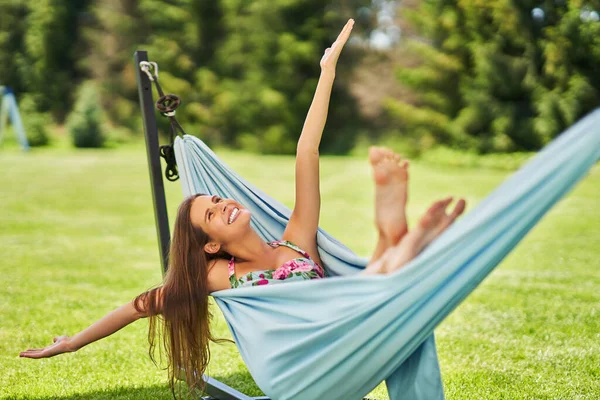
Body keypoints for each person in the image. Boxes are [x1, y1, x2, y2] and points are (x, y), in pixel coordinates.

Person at [20, 19, 465, 395]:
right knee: (391, 292)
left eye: (216, 200)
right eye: (213, 214)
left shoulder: (296, 241)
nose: (225, 203)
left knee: (406, 314)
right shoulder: (217, 277)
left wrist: (327, 71)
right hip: (299, 372)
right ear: (211, 246)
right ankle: (395, 244)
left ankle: (393, 246)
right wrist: (72, 343)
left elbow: (306, 150)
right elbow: (138, 307)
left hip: (343, 337)